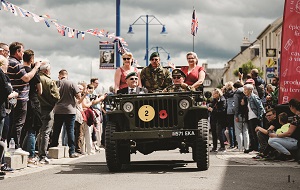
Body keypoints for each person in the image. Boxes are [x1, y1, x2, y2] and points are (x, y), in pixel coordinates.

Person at [7, 42, 41, 152]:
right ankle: (16, 146)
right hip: (21, 98)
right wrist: (35, 68)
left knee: (13, 123)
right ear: (17, 52)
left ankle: (13, 145)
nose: (22, 53)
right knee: (18, 123)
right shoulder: (16, 63)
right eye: (21, 51)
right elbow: (26, 78)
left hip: (13, 98)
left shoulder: (8, 62)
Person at [50, 69, 81, 158]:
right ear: (67, 75)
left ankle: (53, 147)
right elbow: (78, 96)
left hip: (58, 110)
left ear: (60, 75)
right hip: (70, 110)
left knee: (56, 129)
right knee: (70, 130)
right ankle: (72, 151)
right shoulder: (72, 83)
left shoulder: (56, 83)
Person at [22, 50, 43, 163]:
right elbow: (40, 91)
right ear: (31, 59)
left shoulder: (20, 70)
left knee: (24, 128)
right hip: (33, 101)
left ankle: (24, 151)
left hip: (21, 101)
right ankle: (30, 154)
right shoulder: (33, 73)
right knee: (33, 128)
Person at [37, 61, 60, 163]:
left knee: (39, 132)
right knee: (46, 132)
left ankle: (38, 153)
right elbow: (56, 97)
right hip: (47, 108)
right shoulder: (49, 81)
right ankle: (42, 154)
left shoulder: (36, 77)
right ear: (46, 70)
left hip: (37, 108)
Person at [243, 84, 265, 153]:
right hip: (250, 117)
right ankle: (253, 147)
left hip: (255, 117)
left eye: (246, 89)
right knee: (251, 133)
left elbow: (260, 107)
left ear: (250, 90)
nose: (244, 91)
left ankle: (259, 148)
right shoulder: (248, 98)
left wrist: (259, 117)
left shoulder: (254, 97)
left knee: (257, 133)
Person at [233, 81, 249, 152]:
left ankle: (240, 148)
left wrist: (236, 115)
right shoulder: (246, 92)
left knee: (238, 131)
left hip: (239, 114)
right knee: (245, 131)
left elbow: (236, 106)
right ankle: (246, 147)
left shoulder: (236, 94)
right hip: (246, 114)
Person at [223, 81, 236, 149]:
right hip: (234, 110)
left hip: (228, 111)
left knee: (230, 127)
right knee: (235, 128)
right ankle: (235, 143)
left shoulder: (225, 94)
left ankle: (232, 144)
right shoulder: (234, 93)